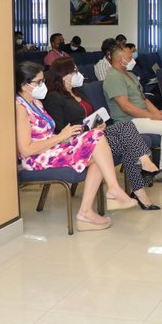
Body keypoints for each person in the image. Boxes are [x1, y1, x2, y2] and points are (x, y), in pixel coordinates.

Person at [14, 61, 137, 231]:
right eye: (39, 82)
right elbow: (26, 149)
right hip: (37, 158)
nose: (43, 85)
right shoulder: (20, 108)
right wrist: (61, 137)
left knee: (97, 148)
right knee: (96, 143)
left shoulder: (36, 102)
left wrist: (68, 136)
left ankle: (89, 210)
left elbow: (50, 135)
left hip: (52, 149)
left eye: (43, 80)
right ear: (24, 85)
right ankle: (111, 192)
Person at [44, 57, 162, 210]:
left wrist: (98, 123)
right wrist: (86, 130)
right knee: (127, 143)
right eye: (74, 71)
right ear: (63, 74)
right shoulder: (53, 97)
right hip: (76, 141)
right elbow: (60, 130)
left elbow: (91, 114)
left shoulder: (78, 91)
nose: (78, 74)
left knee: (126, 127)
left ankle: (145, 169)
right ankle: (142, 186)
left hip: (93, 133)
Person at [103, 44, 162, 184]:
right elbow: (126, 107)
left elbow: (144, 99)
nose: (133, 60)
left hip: (141, 117)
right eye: (129, 57)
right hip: (128, 122)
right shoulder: (114, 78)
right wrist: (152, 116)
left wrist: (158, 113)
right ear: (120, 60)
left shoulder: (130, 75)